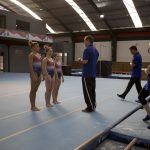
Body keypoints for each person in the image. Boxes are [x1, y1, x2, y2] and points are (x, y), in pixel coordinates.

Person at [78, 35, 99, 112]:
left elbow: (85, 61)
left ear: (88, 41)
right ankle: (93, 105)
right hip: (93, 73)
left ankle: (90, 107)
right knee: (92, 91)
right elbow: (96, 59)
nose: (84, 42)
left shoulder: (87, 50)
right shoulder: (95, 50)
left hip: (87, 74)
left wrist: (80, 60)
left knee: (87, 91)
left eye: (84, 40)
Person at [28, 41, 41, 111]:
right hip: (34, 73)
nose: (38, 47)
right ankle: (32, 106)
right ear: (33, 47)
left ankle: (34, 105)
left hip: (39, 73)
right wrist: (32, 75)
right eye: (37, 46)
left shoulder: (39, 55)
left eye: (38, 46)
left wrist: (41, 74)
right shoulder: (31, 55)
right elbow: (30, 66)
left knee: (35, 90)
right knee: (32, 90)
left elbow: (40, 65)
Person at [138, 65, 150, 129]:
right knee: (141, 97)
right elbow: (146, 71)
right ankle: (149, 115)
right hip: (148, 86)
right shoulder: (148, 71)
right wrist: (147, 70)